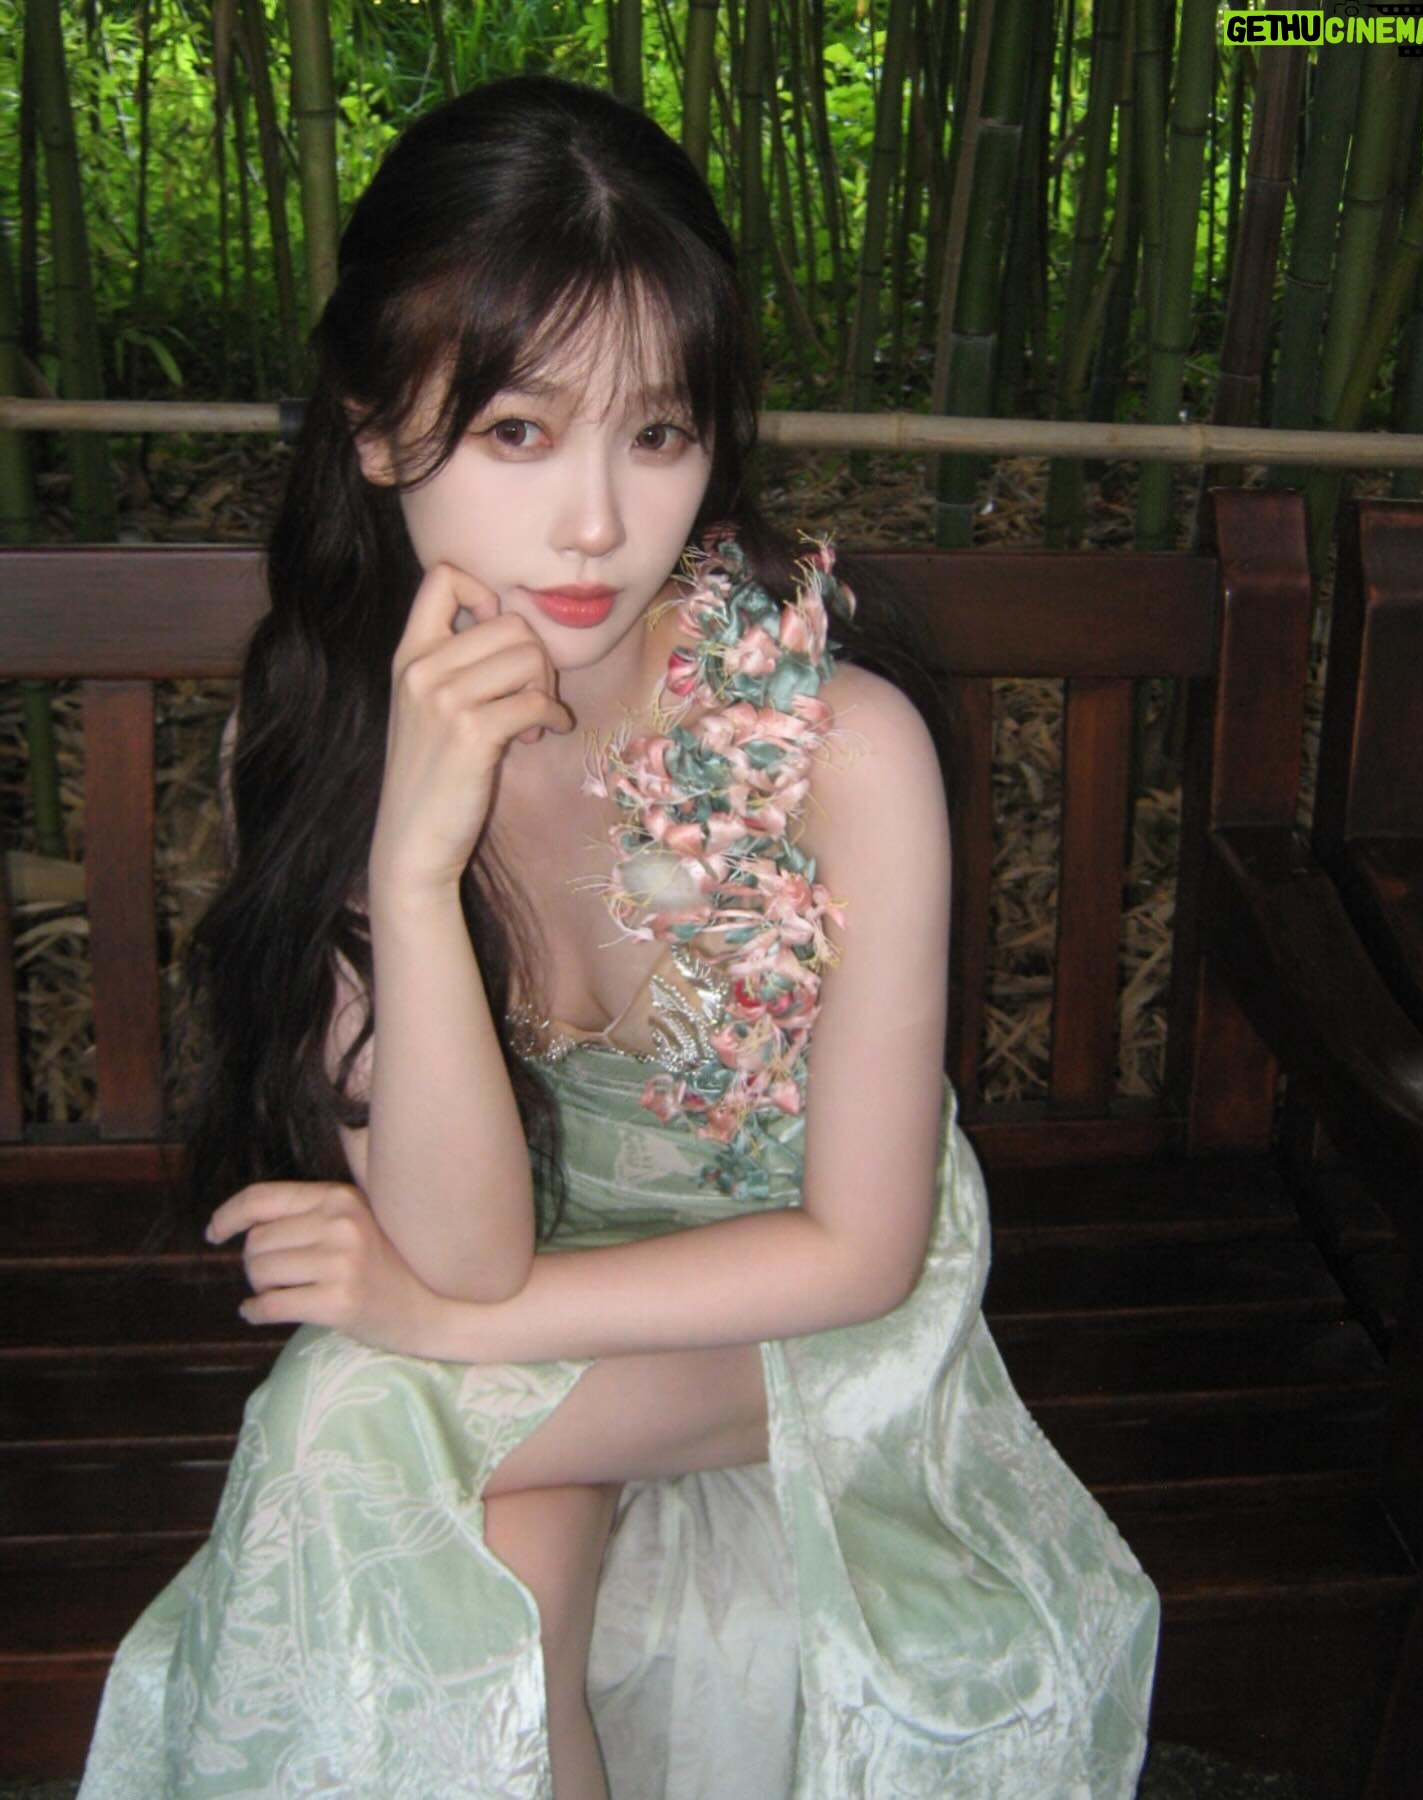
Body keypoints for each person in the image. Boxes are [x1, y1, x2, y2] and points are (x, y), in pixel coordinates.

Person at [79, 74, 1158, 1800]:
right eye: (518, 432)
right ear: (374, 431)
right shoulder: (320, 732)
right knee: (500, 1596)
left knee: (346, 1425)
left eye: (657, 435)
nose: (596, 522)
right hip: (536, 1284)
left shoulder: (841, 751)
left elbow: (858, 1258)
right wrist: (411, 869)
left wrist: (434, 1327)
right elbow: (465, 1243)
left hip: (806, 1323)